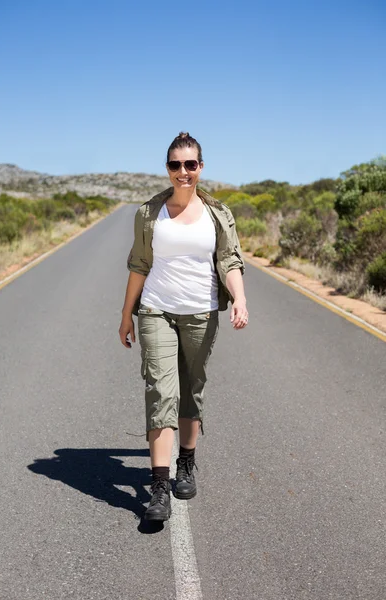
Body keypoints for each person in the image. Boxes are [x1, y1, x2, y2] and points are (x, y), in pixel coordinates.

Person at [119, 132, 248, 521]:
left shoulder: (218, 214)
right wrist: (127, 314)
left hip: (202, 313)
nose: (183, 172)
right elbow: (139, 265)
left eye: (190, 164)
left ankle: (186, 463)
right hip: (156, 310)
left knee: (191, 389)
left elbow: (230, 260)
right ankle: (159, 488)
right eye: (176, 165)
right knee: (160, 390)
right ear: (168, 169)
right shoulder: (149, 213)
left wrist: (239, 298)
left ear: (201, 167)